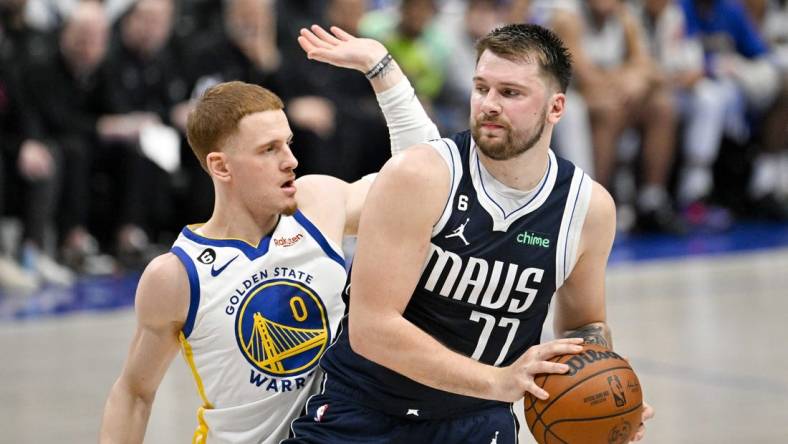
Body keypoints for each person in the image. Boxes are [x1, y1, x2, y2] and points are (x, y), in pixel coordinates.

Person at [287, 23, 653, 443]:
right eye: (482, 89)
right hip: (366, 414)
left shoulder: (588, 209)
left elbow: (584, 327)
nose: (489, 105)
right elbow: (372, 330)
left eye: (510, 93)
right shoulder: (421, 175)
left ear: (556, 108)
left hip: (478, 424)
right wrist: (498, 381)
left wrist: (608, 394)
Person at [99, 25, 439, 444]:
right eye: (269, 150)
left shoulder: (319, 204)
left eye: (289, 143)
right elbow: (134, 394)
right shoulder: (176, 275)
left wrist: (381, 69)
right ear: (221, 167)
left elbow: (425, 183)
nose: (291, 160)